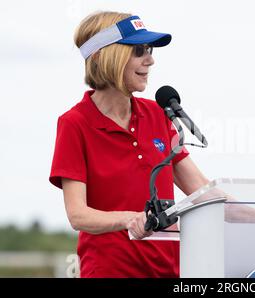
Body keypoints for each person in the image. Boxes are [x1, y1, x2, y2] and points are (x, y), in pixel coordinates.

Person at [49, 11, 209, 278]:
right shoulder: (74, 123)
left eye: (148, 50)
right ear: (104, 56)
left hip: (169, 273)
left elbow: (204, 193)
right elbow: (77, 215)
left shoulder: (159, 114)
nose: (150, 60)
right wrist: (129, 218)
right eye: (138, 50)